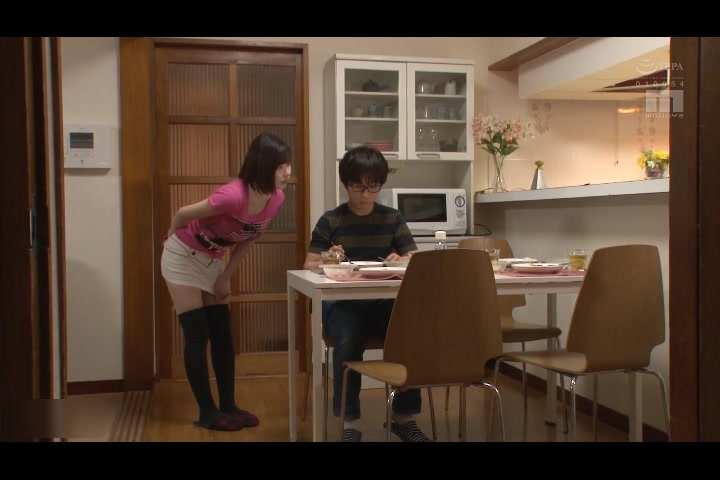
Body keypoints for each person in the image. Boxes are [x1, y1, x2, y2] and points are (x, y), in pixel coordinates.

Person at [161, 132, 292, 431]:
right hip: (182, 257)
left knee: (222, 331)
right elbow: (182, 214)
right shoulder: (233, 196)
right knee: (197, 333)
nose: (287, 172)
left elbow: (250, 237)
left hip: (212, 260)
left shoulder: (276, 198)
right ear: (263, 165)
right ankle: (207, 412)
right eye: (280, 166)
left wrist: (225, 276)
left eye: (288, 164)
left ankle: (228, 405)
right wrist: (170, 237)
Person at [303, 146, 430, 442]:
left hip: (382, 301)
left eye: (373, 186)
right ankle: (350, 422)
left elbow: (414, 258)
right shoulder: (331, 220)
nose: (365, 194)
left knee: (409, 329)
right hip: (341, 303)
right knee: (350, 333)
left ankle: (403, 417)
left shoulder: (392, 218)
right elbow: (308, 264)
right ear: (345, 183)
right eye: (358, 186)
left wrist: (402, 259)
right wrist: (328, 259)